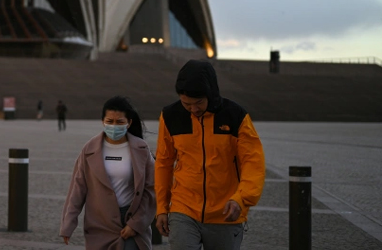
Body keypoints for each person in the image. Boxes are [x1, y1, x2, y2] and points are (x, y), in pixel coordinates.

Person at [154, 60, 265, 250]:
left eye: (199, 103)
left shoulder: (235, 116)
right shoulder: (170, 116)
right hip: (184, 208)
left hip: (226, 211)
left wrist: (241, 199)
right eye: (186, 104)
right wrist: (162, 208)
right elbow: (163, 163)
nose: (193, 109)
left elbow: (253, 162)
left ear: (211, 94)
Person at [60, 96, 155, 249]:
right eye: (110, 121)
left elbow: (151, 189)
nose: (114, 126)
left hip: (131, 219)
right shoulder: (89, 150)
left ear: (129, 122)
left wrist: (136, 224)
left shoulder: (141, 149)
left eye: (120, 122)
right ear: (102, 121)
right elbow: (77, 189)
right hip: (100, 222)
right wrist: (68, 224)